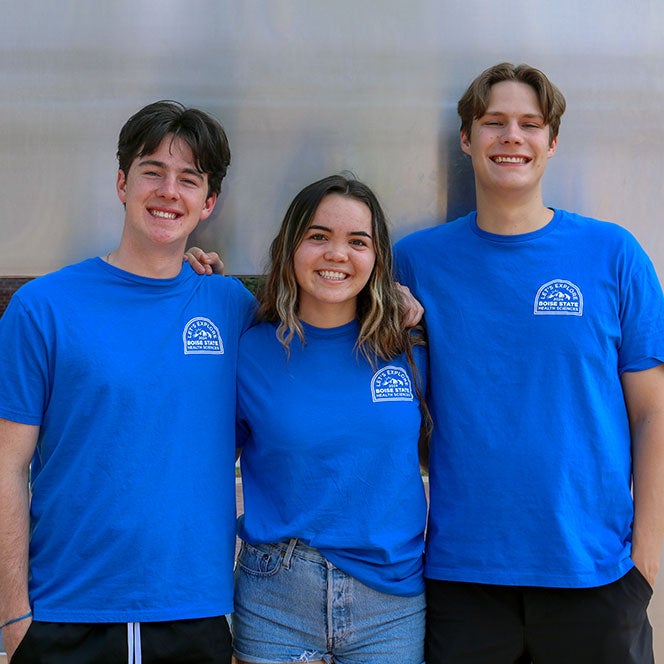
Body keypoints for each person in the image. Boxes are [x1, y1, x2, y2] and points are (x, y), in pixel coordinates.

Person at [394, 62, 664, 663]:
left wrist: (644, 560)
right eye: (493, 122)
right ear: (467, 138)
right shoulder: (415, 261)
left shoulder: (614, 254)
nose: (511, 137)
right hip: (463, 578)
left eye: (529, 124)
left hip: (595, 574)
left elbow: (653, 414)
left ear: (552, 141)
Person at [0, 100, 255, 663]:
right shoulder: (43, 307)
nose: (169, 192)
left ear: (209, 202)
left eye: (189, 179)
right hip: (64, 613)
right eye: (152, 172)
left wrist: (399, 303)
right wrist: (12, 615)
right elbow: (7, 466)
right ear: (121, 182)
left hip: (194, 613)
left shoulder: (231, 307)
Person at [231, 174, 429, 664]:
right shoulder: (248, 347)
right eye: (318, 236)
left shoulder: (411, 349)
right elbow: (208, 469)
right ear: (290, 247)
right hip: (274, 595)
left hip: (392, 603)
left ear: (377, 257)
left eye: (357, 241)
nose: (337, 254)